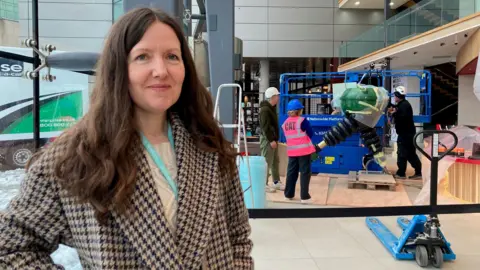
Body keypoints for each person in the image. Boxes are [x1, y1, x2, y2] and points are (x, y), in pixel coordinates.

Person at [0, 8, 253, 269]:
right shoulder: (75, 157)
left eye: (172, 57)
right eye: (143, 56)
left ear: (185, 69)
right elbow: (9, 248)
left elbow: (237, 236)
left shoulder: (208, 145)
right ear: (118, 68)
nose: (161, 70)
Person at [281, 99, 318, 204]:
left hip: (292, 152)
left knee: (291, 173)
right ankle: (304, 197)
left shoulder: (285, 123)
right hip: (304, 151)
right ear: (298, 110)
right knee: (305, 173)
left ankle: (288, 194)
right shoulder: (302, 121)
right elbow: (310, 133)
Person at [389, 86, 422, 180]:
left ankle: (404, 173)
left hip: (406, 134)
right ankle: (411, 172)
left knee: (405, 153)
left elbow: (402, 117)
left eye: (395, 96)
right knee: (407, 153)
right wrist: (391, 107)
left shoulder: (403, 105)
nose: (394, 98)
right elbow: (398, 109)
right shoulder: (403, 104)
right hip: (406, 133)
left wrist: (393, 114)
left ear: (398, 96)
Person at [259, 86, 284, 193]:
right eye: (277, 96)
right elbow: (265, 127)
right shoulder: (265, 110)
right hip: (268, 139)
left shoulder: (271, 108)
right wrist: (271, 140)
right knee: (266, 161)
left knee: (275, 161)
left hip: (272, 139)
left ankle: (276, 181)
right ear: (272, 97)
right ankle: (262, 184)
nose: (278, 98)